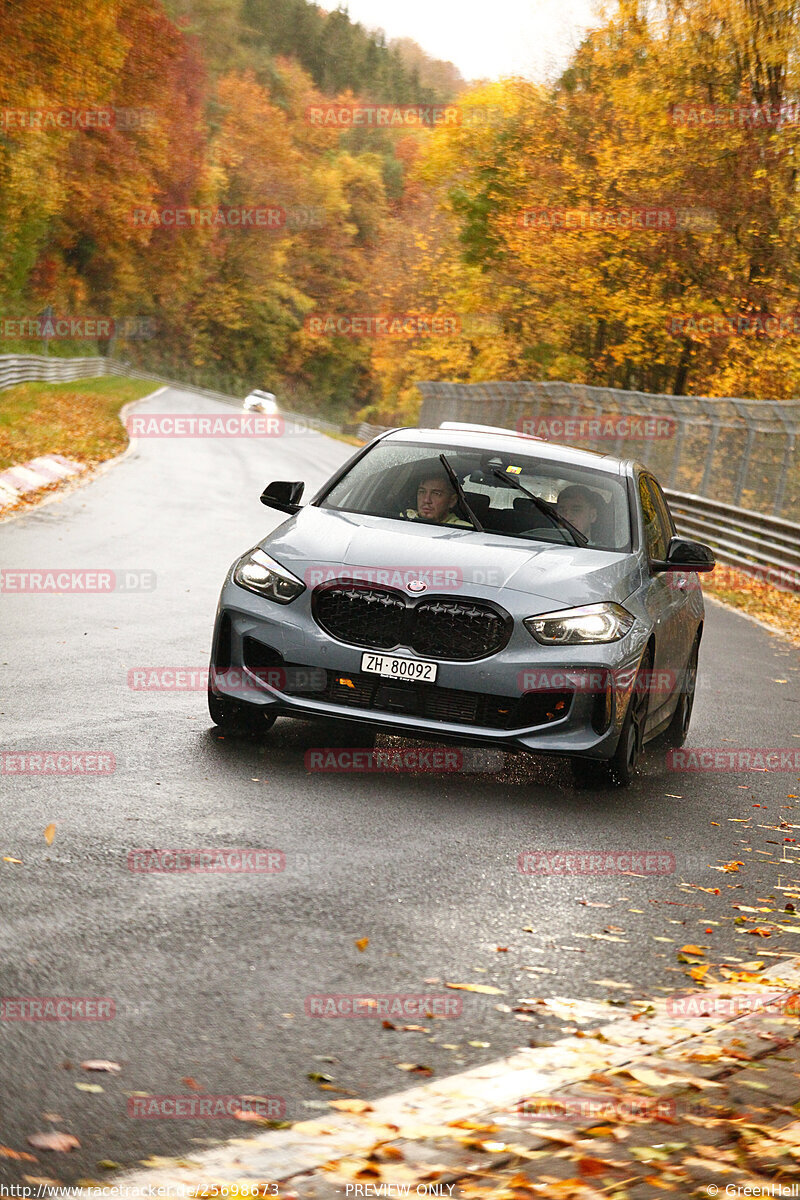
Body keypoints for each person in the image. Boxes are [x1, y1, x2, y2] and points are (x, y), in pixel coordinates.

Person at [403, 473, 472, 526]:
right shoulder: (401, 518)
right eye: (422, 492)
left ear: (452, 501)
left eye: (436, 494)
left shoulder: (465, 532)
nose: (426, 500)